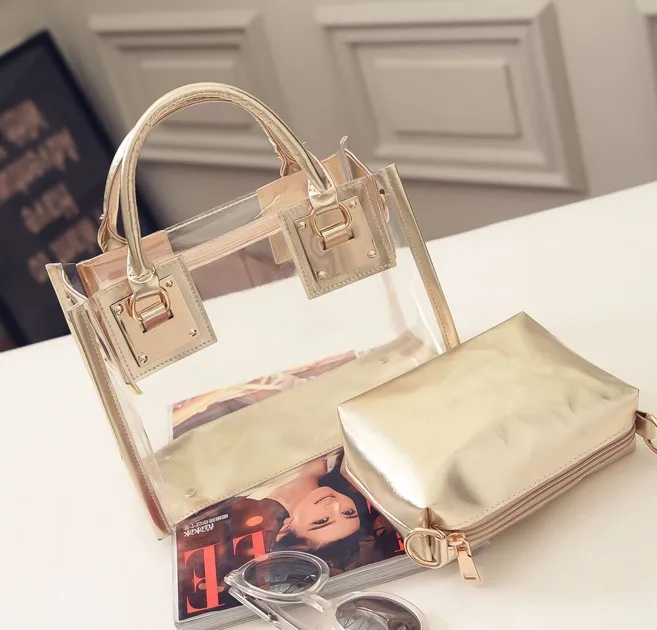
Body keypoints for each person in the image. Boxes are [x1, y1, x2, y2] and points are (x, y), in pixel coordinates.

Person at [267, 452, 371, 572]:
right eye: (348, 512)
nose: (335, 505)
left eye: (322, 520)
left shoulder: (252, 486)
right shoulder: (343, 456)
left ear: (286, 529)